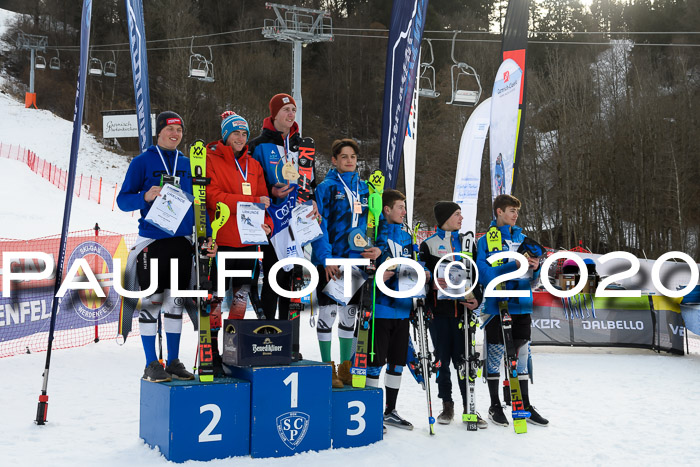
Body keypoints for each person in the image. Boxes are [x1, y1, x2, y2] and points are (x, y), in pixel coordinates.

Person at [117, 111, 213, 382]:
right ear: (159, 132)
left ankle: (172, 361)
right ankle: (151, 363)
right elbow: (123, 201)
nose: (175, 134)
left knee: (175, 303)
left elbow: (201, 201)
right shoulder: (142, 162)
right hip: (153, 242)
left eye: (180, 130)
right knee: (153, 302)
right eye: (170, 129)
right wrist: (144, 196)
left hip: (182, 242)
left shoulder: (188, 163)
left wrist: (204, 235)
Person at [205, 111, 273, 375]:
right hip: (220, 240)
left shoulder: (253, 165)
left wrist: (267, 222)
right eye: (236, 133)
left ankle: (231, 349)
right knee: (216, 298)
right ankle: (211, 350)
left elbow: (264, 199)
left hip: (248, 242)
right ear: (226, 135)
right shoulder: (211, 159)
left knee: (241, 297)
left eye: (245, 134)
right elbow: (213, 197)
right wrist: (250, 203)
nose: (241, 138)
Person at [310, 138, 379, 387]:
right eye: (344, 157)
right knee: (328, 313)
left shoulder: (365, 189)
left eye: (353, 157)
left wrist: (374, 248)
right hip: (331, 261)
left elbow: (371, 223)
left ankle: (345, 367)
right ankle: (326, 367)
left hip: (356, 262)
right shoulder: (326, 187)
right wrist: (325, 258)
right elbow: (319, 225)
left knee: (349, 316)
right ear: (334, 160)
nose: (349, 160)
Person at [475, 194, 549, 427]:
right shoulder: (485, 241)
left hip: (522, 304)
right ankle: (495, 405)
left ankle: (524, 404)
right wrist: (513, 265)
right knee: (495, 355)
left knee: (523, 356)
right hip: (497, 305)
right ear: (498, 212)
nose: (515, 215)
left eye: (517, 211)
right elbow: (484, 276)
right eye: (510, 210)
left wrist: (536, 269)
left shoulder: (524, 239)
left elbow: (534, 281)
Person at [248, 93, 319, 325]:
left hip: (297, 221)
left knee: (292, 282)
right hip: (272, 221)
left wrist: (313, 200)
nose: (291, 114)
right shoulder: (258, 145)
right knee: (272, 277)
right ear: (274, 113)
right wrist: (270, 191)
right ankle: (268, 333)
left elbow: (311, 181)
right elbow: (251, 180)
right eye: (286, 110)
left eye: (293, 110)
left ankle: (289, 339)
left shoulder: (303, 146)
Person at [366, 189, 430, 430]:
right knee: (375, 362)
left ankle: (389, 410)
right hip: (380, 308)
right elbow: (363, 268)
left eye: (404, 207)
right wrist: (377, 274)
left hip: (403, 309)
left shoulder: (407, 237)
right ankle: (371, 411)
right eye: (400, 207)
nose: (404, 211)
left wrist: (426, 273)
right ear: (386, 210)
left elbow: (418, 263)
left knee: (396, 363)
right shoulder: (374, 234)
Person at [420, 201, 487, 428]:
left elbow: (476, 273)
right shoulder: (428, 245)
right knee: (442, 360)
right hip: (439, 313)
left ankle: (470, 406)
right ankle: (447, 404)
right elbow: (424, 278)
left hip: (464, 313)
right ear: (445, 217)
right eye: (457, 214)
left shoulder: (467, 242)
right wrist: (432, 286)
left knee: (465, 360)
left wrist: (476, 297)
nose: (461, 218)